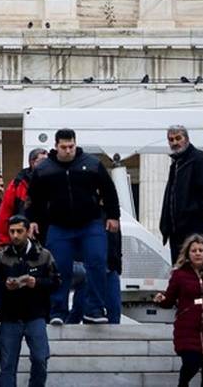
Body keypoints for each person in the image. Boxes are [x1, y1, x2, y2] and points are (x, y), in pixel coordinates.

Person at [26, 128, 120, 324]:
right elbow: (35, 198)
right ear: (56, 146)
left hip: (90, 222)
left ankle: (94, 309)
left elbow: (108, 190)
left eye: (71, 146)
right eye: (64, 147)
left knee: (96, 261)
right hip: (59, 225)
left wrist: (113, 216)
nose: (68, 151)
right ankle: (58, 311)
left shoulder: (92, 164)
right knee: (60, 268)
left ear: (75, 144)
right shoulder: (44, 169)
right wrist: (33, 220)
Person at [154, 234, 203, 387]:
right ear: (188, 254)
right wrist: (161, 300)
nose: (197, 253)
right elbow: (169, 299)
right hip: (187, 329)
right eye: (194, 250)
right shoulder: (179, 274)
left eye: (200, 250)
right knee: (191, 364)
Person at [0, 215, 60, 387]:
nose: (15, 235)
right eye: (12, 231)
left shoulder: (44, 255)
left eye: (19, 231)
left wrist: (36, 282)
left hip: (35, 315)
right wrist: (5, 285)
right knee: (7, 366)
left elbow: (56, 282)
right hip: (9, 317)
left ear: (28, 231)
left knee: (40, 358)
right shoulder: (1, 258)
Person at [159, 125, 203, 264]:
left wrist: (194, 216)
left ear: (186, 139)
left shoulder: (199, 159)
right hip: (176, 232)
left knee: (195, 271)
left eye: (178, 138)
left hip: (193, 232)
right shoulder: (176, 164)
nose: (174, 143)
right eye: (171, 139)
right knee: (180, 273)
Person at [0, 149, 47, 247]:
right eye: (42, 162)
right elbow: (6, 211)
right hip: (22, 234)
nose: (46, 165)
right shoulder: (18, 184)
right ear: (32, 162)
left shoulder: (53, 180)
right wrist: (4, 239)